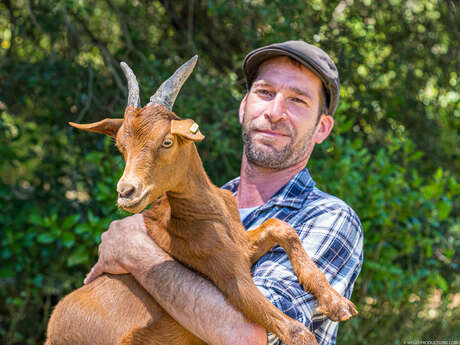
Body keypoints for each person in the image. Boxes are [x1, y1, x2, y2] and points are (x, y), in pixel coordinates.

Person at [84, 40, 364, 345]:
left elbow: (249, 336)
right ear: (244, 107)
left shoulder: (330, 217)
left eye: (297, 100)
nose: (275, 112)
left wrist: (137, 254)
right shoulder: (200, 204)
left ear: (322, 128)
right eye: (265, 93)